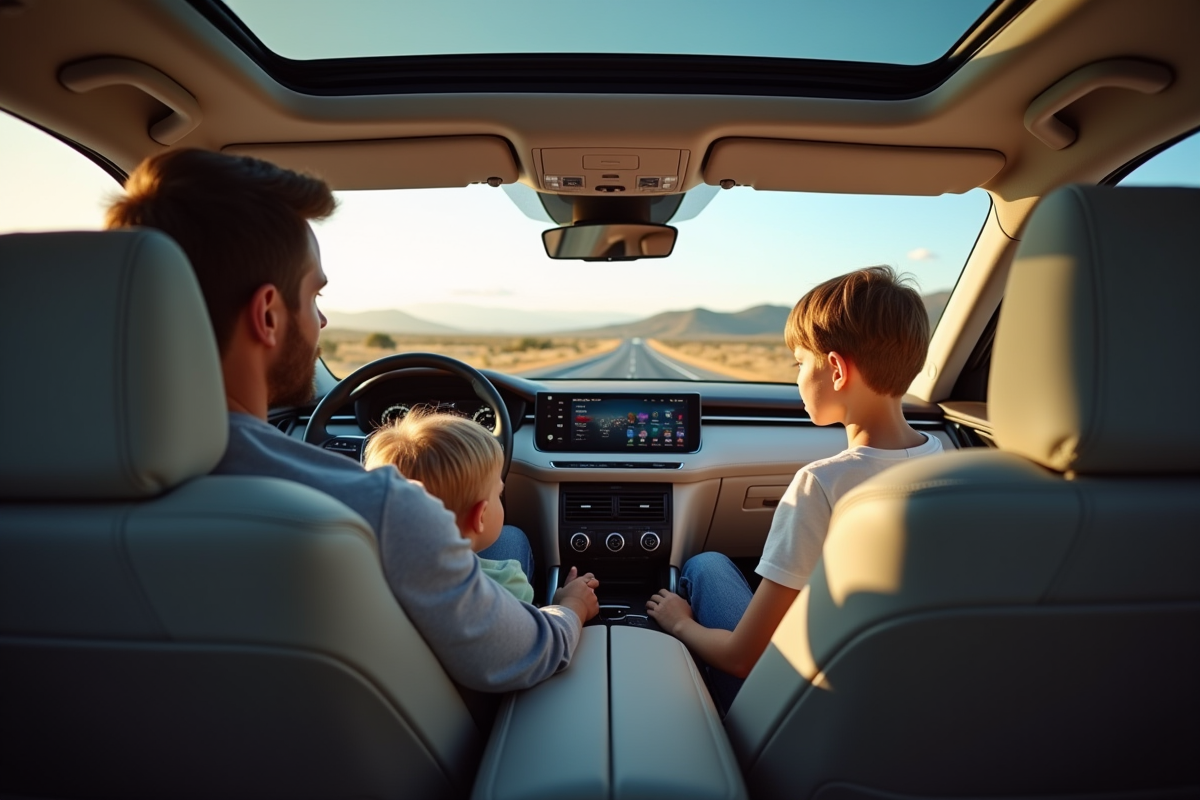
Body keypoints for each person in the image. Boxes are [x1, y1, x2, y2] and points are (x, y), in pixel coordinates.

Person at [105, 148, 600, 692]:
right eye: (313, 295)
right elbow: (526, 652)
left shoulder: (57, 480)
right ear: (268, 315)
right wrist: (570, 609)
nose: (321, 320)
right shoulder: (384, 512)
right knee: (511, 545)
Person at [646, 266, 943, 713]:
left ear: (837, 370)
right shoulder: (952, 463)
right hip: (910, 693)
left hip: (805, 708)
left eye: (800, 363)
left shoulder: (821, 485)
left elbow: (742, 659)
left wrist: (679, 624)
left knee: (705, 565)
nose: (798, 377)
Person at [363, 408, 598, 604]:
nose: (500, 496)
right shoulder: (505, 585)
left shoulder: (363, 569)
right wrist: (570, 603)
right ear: (480, 516)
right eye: (499, 493)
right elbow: (543, 638)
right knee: (513, 537)